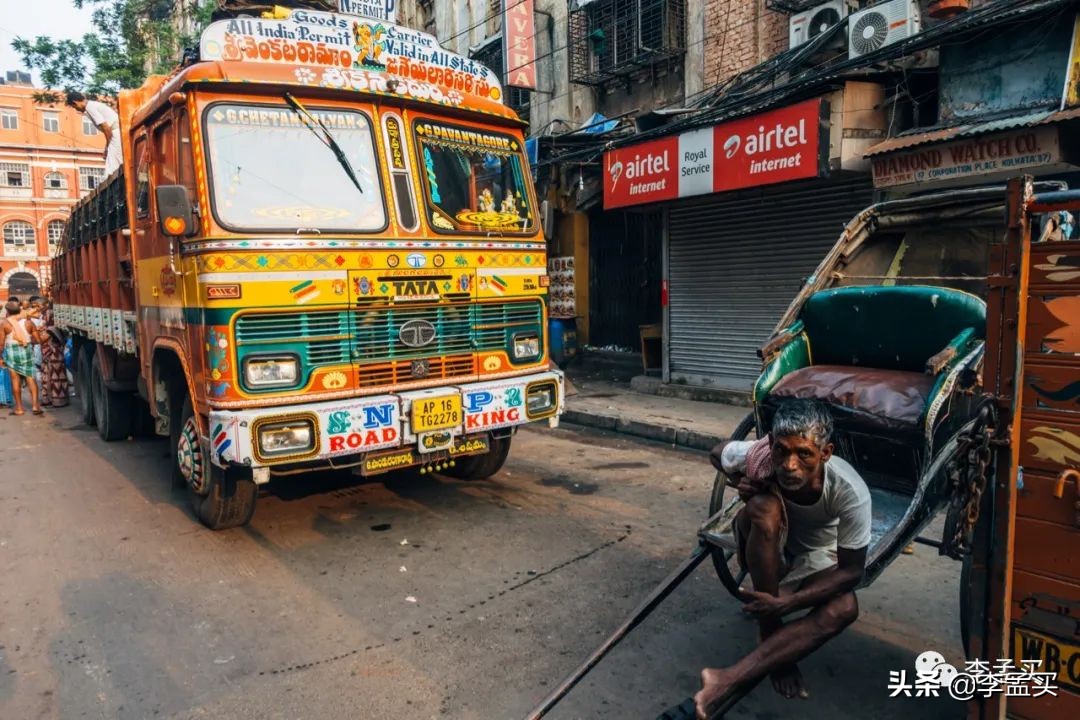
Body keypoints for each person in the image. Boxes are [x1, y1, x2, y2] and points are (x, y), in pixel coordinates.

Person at [695, 399, 872, 718]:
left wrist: (790, 603)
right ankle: (771, 629)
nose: (790, 465)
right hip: (764, 541)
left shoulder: (849, 491)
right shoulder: (762, 456)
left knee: (845, 606)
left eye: (803, 453)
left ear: (825, 453)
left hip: (816, 554)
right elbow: (716, 452)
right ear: (772, 445)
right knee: (763, 506)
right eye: (782, 451)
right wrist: (740, 481)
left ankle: (730, 676)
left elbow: (851, 572)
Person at [0, 298, 42, 416]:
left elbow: (1, 344)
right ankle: (35, 406)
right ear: (19, 310)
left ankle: (19, 408)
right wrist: (28, 341)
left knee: (15, 380)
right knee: (31, 378)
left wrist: (0, 358)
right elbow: (38, 340)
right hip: (26, 351)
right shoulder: (28, 322)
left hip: (11, 352)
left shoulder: (4, 324)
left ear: (7, 312)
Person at [65, 91, 123, 176]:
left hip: (116, 132)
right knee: (115, 161)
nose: (76, 109)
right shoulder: (92, 105)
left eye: (74, 107)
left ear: (75, 102)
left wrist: (107, 147)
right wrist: (107, 147)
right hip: (116, 132)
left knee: (112, 165)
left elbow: (106, 128)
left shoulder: (90, 107)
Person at [28, 296, 68, 408]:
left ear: (45, 305)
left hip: (53, 350)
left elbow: (49, 332)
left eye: (39, 306)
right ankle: (49, 399)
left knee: (56, 375)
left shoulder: (50, 315)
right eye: (36, 306)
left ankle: (58, 400)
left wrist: (36, 340)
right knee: (47, 374)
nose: (37, 308)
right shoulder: (44, 314)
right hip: (47, 350)